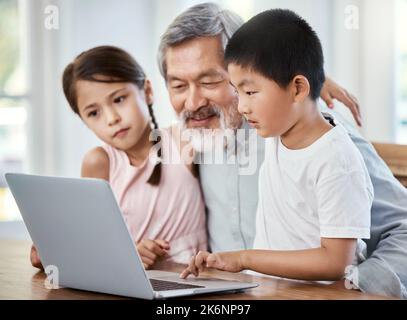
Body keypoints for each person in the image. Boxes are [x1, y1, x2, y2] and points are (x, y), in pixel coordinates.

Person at [158, 2, 407, 297]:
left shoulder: (315, 137)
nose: (192, 102)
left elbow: (402, 226)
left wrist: (354, 288)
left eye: (210, 80)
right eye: (177, 86)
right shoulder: (190, 138)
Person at [30, 46, 207, 269]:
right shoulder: (99, 162)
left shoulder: (181, 141)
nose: (112, 118)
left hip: (194, 279)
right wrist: (55, 252)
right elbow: (95, 241)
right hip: (129, 283)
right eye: (94, 113)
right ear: (84, 121)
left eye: (119, 99)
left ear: (147, 91)